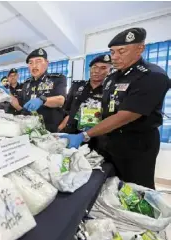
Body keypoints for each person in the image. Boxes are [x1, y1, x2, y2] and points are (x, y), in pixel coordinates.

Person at [60, 28, 171, 189]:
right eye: (113, 52)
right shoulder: (112, 78)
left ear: (140, 49)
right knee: (107, 185)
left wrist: (85, 134)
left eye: (122, 51)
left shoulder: (151, 76)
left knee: (135, 190)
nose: (115, 57)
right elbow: (106, 110)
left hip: (135, 146)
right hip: (108, 143)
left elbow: (126, 115)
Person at [58, 54, 112, 153]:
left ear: (110, 71)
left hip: (97, 138)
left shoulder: (111, 90)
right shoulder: (77, 86)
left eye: (103, 68)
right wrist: (60, 129)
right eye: (94, 67)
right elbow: (68, 111)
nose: (96, 71)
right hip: (73, 134)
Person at [9, 48, 67, 132]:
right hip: (30, 130)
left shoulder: (57, 79)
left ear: (46, 63)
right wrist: (8, 96)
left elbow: (61, 100)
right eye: (30, 62)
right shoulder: (26, 83)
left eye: (38, 61)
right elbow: (19, 105)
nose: (34, 65)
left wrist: (42, 100)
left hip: (50, 131)